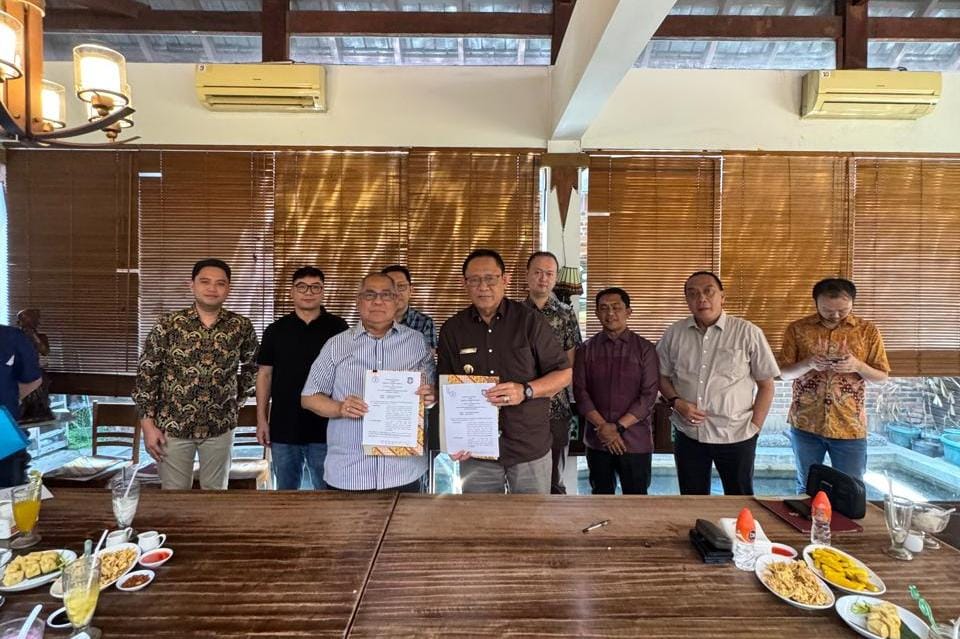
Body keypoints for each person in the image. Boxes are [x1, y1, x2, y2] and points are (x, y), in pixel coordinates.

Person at [437, 248, 571, 494]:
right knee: (482, 518)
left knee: (533, 517)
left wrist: (526, 391)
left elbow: (564, 374)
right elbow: (445, 389)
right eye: (474, 280)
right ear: (464, 283)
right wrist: (453, 439)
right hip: (476, 452)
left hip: (528, 446)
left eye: (490, 278)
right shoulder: (452, 330)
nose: (483, 287)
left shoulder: (530, 321)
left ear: (505, 280)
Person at [301, 273, 435, 492]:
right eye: (370, 295)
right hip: (349, 472)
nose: (378, 301)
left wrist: (430, 397)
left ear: (396, 300)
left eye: (386, 295)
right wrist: (339, 408)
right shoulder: (336, 345)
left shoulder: (416, 342)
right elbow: (309, 397)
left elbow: (429, 395)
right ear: (358, 301)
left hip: (404, 471)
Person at [133, 258, 259, 490]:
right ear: (191, 285)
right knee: (175, 496)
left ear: (228, 289)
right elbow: (147, 375)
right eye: (205, 282)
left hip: (220, 425)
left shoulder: (240, 326)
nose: (212, 288)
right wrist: (148, 426)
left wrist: (236, 401)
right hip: (172, 426)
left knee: (215, 495)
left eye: (220, 283)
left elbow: (253, 367)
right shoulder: (168, 324)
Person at [657, 271, 779, 496]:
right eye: (693, 293)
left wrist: (755, 427)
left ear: (722, 297)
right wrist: (676, 402)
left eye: (708, 291)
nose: (701, 298)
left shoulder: (748, 332)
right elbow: (661, 376)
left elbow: (766, 385)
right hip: (689, 434)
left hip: (737, 434)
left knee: (740, 498)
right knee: (692, 499)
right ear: (687, 300)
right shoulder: (674, 333)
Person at [779, 277, 890, 493]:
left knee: (851, 489)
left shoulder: (868, 331)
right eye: (828, 310)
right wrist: (809, 363)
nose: (836, 315)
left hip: (850, 425)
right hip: (806, 424)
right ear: (816, 303)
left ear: (852, 303)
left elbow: (881, 377)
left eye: (843, 310)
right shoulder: (798, 329)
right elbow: (783, 374)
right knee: (807, 487)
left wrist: (857, 365)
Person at [256, 267, 348, 490]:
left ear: (323, 291)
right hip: (284, 426)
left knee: (329, 492)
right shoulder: (275, 330)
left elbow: (349, 374)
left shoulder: (339, 328)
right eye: (302, 287)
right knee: (286, 495)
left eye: (315, 287)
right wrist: (261, 419)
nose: (308, 292)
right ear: (292, 292)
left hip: (327, 427)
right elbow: (265, 375)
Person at [574, 287, 659, 495]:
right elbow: (580, 392)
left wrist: (617, 428)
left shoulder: (645, 349)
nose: (610, 313)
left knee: (636, 499)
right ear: (596, 313)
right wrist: (604, 428)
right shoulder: (586, 349)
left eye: (616, 307)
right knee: (600, 497)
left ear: (628, 312)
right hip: (598, 439)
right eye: (603, 308)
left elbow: (648, 396)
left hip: (635, 440)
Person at [522, 251, 582, 494]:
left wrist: (549, 388)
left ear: (556, 278)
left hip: (556, 406)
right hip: (520, 408)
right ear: (527, 275)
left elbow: (570, 362)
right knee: (522, 477)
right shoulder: (514, 313)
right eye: (537, 272)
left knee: (554, 479)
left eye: (549, 273)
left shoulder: (566, 314)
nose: (543, 278)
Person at [0, 325, 42, 487]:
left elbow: (33, 379)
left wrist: (11, 399)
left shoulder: (11, 337)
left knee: (9, 494)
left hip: (3, 430)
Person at [382, 264, 437, 351]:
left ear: (411, 290)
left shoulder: (425, 323)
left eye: (401, 286)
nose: (396, 293)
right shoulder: (370, 323)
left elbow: (427, 358)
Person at [15, 309, 53, 423]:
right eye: (23, 321)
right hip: (18, 369)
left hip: (34, 368)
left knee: (41, 381)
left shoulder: (41, 337)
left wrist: (33, 336)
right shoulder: (14, 336)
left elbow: (45, 351)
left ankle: (40, 409)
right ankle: (23, 409)